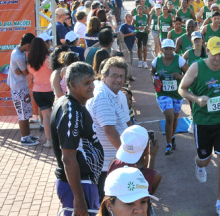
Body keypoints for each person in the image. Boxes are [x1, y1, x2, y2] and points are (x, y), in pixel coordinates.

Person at [177, 37, 220, 216]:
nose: (217, 58)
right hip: (203, 121)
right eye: (214, 54)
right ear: (207, 52)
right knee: (205, 160)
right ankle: (199, 164)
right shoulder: (196, 67)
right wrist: (197, 99)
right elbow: (182, 89)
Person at [51, 62, 104, 216]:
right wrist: (79, 199)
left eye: (93, 81)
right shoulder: (71, 113)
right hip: (80, 185)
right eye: (87, 83)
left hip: (85, 183)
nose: (92, 86)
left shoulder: (73, 106)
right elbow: (68, 158)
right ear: (72, 85)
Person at [86, 57, 131, 201]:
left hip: (113, 163)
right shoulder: (102, 97)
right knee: (107, 205)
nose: (118, 80)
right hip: (106, 167)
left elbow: (124, 123)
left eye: (121, 76)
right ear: (104, 76)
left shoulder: (115, 95)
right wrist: (128, 157)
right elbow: (109, 131)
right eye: (114, 76)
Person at [151, 39, 188, 155]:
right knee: (169, 117)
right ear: (162, 50)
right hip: (163, 94)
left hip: (177, 93)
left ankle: (172, 137)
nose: (168, 51)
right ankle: (168, 145)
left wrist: (180, 76)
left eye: (170, 49)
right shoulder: (156, 61)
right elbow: (152, 72)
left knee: (175, 118)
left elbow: (189, 74)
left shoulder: (179, 60)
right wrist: (154, 79)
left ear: (174, 50)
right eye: (166, 49)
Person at [108, 125, 162, 196]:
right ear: (147, 149)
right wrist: (152, 156)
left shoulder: (114, 164)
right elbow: (148, 191)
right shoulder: (155, 176)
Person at [9, 33, 40, 146]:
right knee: (22, 113)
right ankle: (24, 138)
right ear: (27, 45)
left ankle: (27, 135)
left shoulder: (19, 52)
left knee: (26, 112)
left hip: (21, 86)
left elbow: (20, 71)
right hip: (18, 88)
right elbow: (26, 72)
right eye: (31, 47)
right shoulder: (17, 56)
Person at [27, 35, 54, 147]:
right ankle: (56, 140)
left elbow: (31, 73)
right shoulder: (49, 59)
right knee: (53, 116)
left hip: (38, 91)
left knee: (46, 117)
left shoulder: (31, 62)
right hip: (51, 90)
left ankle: (49, 140)